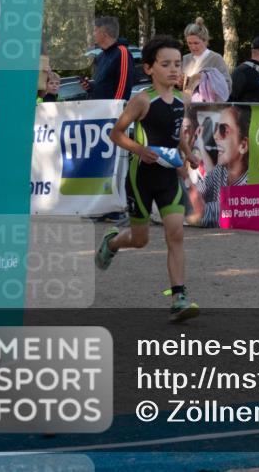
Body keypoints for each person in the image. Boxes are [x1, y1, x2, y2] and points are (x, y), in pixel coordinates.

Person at [98, 35, 199, 322]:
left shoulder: (183, 99)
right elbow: (116, 133)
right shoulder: (142, 101)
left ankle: (179, 296)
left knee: (176, 233)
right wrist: (140, 150)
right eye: (165, 64)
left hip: (167, 178)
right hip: (140, 178)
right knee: (140, 240)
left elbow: (177, 134)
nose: (173, 69)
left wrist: (189, 154)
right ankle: (113, 242)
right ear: (149, 68)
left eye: (177, 64)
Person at [186, 105, 250, 228]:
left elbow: (202, 214)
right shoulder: (222, 170)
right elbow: (200, 189)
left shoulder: (251, 183)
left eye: (223, 130)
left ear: (243, 145)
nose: (215, 136)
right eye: (216, 129)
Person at [82, 16, 135, 100]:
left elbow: (124, 86)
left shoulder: (122, 52)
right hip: (99, 110)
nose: (93, 34)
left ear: (104, 33)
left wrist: (114, 110)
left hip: (113, 111)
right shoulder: (100, 56)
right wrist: (90, 87)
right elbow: (104, 87)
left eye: (95, 30)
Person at [182, 18, 231, 102]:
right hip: (187, 106)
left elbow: (227, 86)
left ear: (205, 41)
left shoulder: (216, 58)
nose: (193, 47)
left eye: (196, 43)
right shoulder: (185, 58)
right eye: (189, 43)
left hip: (208, 108)